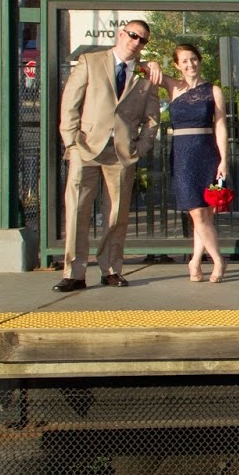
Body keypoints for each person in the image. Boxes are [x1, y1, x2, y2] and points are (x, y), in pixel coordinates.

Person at [54, 19, 163, 292]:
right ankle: (74, 273)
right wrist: (71, 142)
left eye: (142, 40)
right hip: (86, 148)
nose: (135, 42)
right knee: (77, 212)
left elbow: (152, 119)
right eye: (132, 35)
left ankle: (112, 270)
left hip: (121, 153)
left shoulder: (145, 75)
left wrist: (141, 147)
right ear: (120, 33)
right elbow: (70, 104)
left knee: (117, 215)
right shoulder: (90, 62)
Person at [159, 43, 230, 283]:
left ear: (200, 60)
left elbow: (220, 126)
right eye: (185, 61)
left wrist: (223, 160)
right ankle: (218, 260)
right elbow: (143, 70)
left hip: (206, 153)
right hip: (182, 155)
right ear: (177, 65)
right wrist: (150, 64)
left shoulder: (214, 90)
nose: (190, 64)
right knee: (197, 212)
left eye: (194, 59)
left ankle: (195, 261)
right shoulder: (172, 85)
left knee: (205, 214)